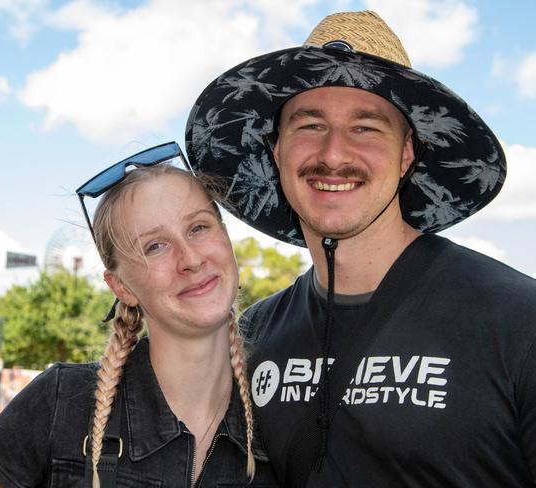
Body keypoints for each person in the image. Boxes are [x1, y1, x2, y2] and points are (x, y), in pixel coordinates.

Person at [185, 9, 536, 487]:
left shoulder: (518, 321)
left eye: (365, 127)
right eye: (310, 125)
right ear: (277, 151)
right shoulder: (251, 337)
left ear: (406, 154)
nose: (333, 154)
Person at [0, 143, 279, 487]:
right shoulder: (64, 402)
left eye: (199, 228)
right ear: (121, 287)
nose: (190, 258)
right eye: (155, 246)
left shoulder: (281, 417)